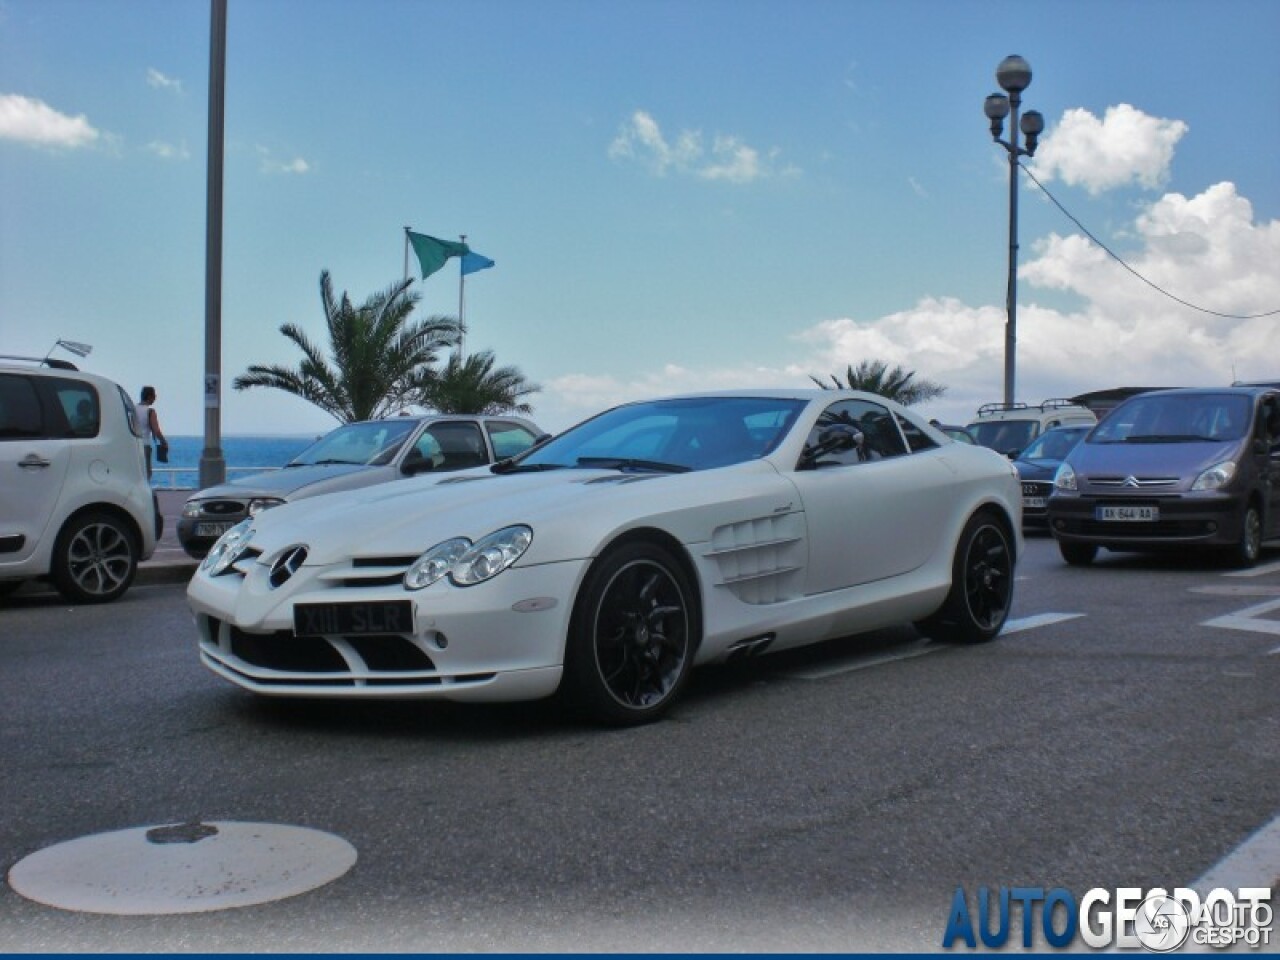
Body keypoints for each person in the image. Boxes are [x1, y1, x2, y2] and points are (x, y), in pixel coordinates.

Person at [136, 385, 167, 479]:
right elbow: (156, 431)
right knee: (146, 474)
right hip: (144, 445)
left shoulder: (132, 408)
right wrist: (164, 442)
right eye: (154, 396)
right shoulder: (150, 411)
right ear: (149, 396)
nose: (155, 398)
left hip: (133, 445)